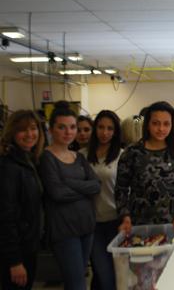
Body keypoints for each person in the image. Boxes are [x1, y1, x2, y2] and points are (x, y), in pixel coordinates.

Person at [38, 101, 100, 290]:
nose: (68, 132)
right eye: (62, 127)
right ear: (51, 129)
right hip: (64, 231)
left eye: (72, 127)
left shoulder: (78, 156)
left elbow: (96, 185)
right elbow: (56, 193)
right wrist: (83, 188)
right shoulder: (46, 157)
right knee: (77, 284)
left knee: (77, 280)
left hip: (86, 227)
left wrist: (69, 183)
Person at [115, 101, 174, 232]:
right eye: (156, 123)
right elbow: (121, 190)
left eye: (166, 124)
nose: (161, 129)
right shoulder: (132, 153)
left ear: (172, 126)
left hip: (172, 225)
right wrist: (124, 216)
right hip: (138, 226)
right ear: (147, 125)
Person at [0, 110, 45, 290]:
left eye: (33, 128)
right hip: (17, 251)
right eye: (22, 130)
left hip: (28, 245)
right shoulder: (8, 166)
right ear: (12, 133)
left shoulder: (29, 161)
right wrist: (15, 261)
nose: (29, 134)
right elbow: (5, 216)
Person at [82, 110, 122, 290]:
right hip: (92, 223)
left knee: (118, 275)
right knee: (102, 273)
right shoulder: (82, 156)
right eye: (100, 127)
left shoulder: (122, 155)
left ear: (115, 131)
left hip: (116, 221)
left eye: (110, 128)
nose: (104, 132)